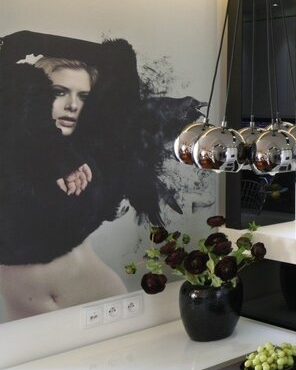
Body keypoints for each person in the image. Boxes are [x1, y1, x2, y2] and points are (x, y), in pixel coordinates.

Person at [0, 30, 202, 321]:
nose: (73, 105)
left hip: (101, 296)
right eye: (59, 92)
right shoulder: (13, 148)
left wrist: (37, 42)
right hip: (29, 319)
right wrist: (25, 41)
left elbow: (118, 60)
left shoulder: (93, 156)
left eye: (83, 95)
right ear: (31, 92)